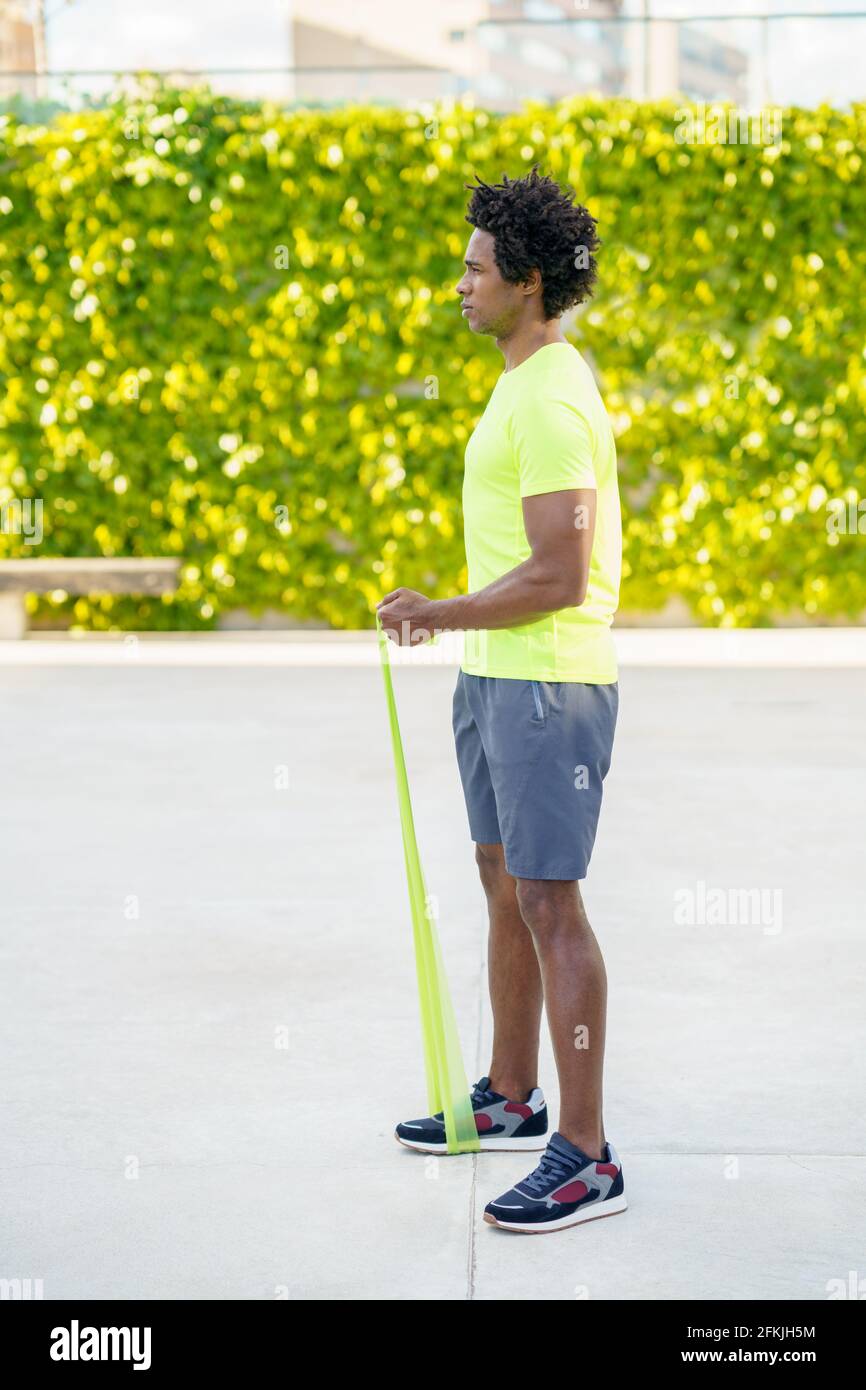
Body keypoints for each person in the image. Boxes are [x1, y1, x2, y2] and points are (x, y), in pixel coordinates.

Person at [376, 166, 625, 1235]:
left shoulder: (558, 394)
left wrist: (439, 611)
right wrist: (457, 629)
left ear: (524, 280)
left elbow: (557, 576)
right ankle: (511, 1095)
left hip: (545, 686)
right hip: (495, 680)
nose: (459, 284)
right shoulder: (516, 378)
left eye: (475, 268)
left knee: (550, 904)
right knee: (501, 886)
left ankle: (583, 1153)